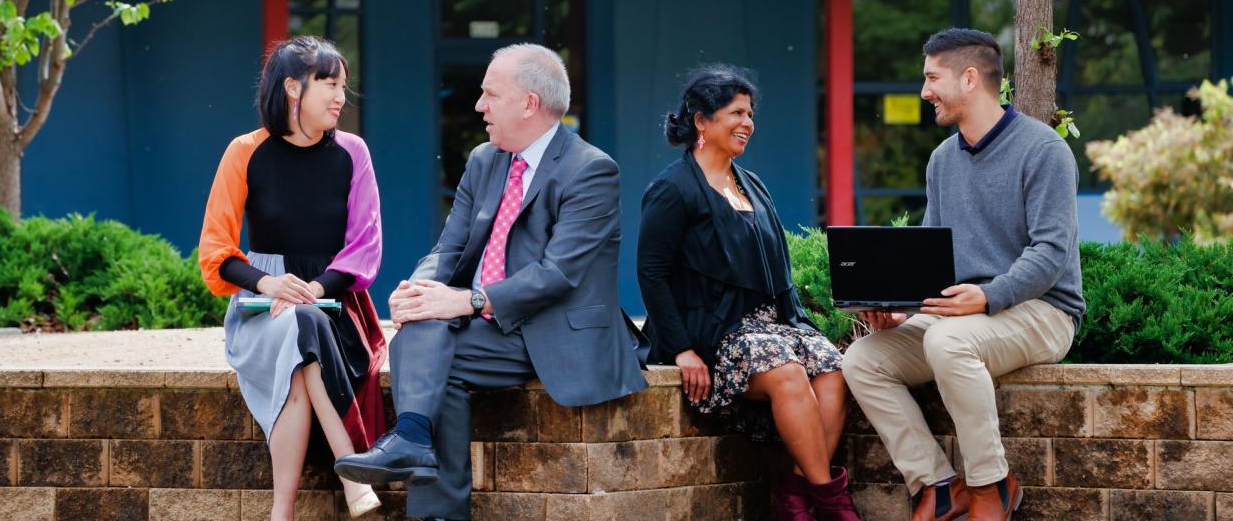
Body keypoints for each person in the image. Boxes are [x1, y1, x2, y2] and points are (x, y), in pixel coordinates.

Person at [334, 42, 648, 520]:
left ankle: (420, 461)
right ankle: (416, 446)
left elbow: (559, 274)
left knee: (427, 345)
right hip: (486, 327)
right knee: (424, 332)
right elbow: (449, 249)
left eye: (489, 95)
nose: (478, 106)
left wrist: (465, 300)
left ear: (528, 103)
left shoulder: (591, 170)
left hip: (553, 330)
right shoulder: (485, 159)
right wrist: (420, 291)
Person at [842, 28, 1085, 521]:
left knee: (949, 342)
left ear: (969, 78)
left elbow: (1051, 252)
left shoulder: (1043, 150)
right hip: (960, 316)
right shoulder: (941, 160)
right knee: (863, 360)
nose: (924, 91)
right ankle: (937, 484)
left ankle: (992, 487)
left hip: (1041, 310)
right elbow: (932, 258)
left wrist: (988, 296)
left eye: (932, 78)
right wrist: (901, 306)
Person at [637, 64, 861, 521]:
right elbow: (652, 275)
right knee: (786, 370)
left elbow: (772, 264)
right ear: (701, 120)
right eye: (735, 112)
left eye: (750, 113)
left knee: (832, 368)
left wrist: (794, 323)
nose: (747, 123)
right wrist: (681, 349)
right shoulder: (673, 189)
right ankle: (832, 503)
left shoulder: (751, 185)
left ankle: (795, 494)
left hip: (766, 325)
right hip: (712, 331)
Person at [199, 36, 386, 520]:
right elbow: (216, 252)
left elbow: (364, 247)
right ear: (292, 88)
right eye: (329, 83)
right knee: (297, 331)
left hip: (336, 303)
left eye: (344, 85)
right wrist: (267, 283)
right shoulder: (244, 151)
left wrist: (315, 290)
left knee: (303, 335)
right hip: (263, 307)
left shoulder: (353, 152)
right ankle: (352, 474)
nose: (341, 96)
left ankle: (281, 515)